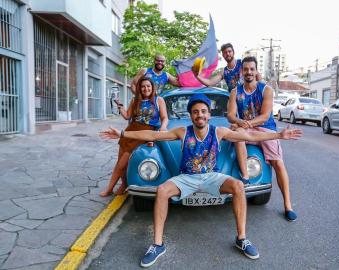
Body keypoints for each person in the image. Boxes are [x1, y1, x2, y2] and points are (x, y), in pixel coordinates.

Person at [100, 93, 303, 267]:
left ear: (209, 114)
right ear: (191, 115)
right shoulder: (182, 131)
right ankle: (158, 244)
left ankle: (242, 239)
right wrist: (123, 132)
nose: (200, 115)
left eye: (203, 111)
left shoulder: (219, 131)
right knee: (162, 190)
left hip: (212, 177)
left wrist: (279, 134)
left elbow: (250, 137)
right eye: (196, 112)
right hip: (187, 178)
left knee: (239, 186)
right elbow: (154, 134)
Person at [227, 56, 298, 221]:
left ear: (256, 71)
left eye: (252, 69)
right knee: (237, 136)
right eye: (246, 69)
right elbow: (231, 115)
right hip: (247, 128)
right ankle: (245, 176)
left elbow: (265, 116)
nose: (249, 72)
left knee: (278, 163)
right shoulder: (235, 92)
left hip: (266, 129)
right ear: (241, 71)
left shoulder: (266, 90)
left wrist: (246, 124)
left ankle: (288, 205)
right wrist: (239, 123)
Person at [99, 77, 168, 197]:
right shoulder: (135, 100)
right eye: (143, 86)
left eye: (148, 86)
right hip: (130, 131)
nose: (146, 88)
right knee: (120, 163)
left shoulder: (159, 100)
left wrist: (163, 128)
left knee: (122, 164)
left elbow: (165, 117)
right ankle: (123, 184)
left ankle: (109, 189)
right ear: (140, 89)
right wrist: (119, 106)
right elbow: (127, 116)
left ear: (152, 88)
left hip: (144, 133)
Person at [193, 43, 261, 92]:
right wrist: (197, 76)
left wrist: (260, 91)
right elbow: (210, 82)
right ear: (223, 55)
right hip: (235, 103)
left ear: (233, 52)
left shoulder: (242, 63)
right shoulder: (224, 72)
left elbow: (257, 75)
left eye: (229, 51)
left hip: (250, 98)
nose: (227, 54)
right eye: (225, 52)